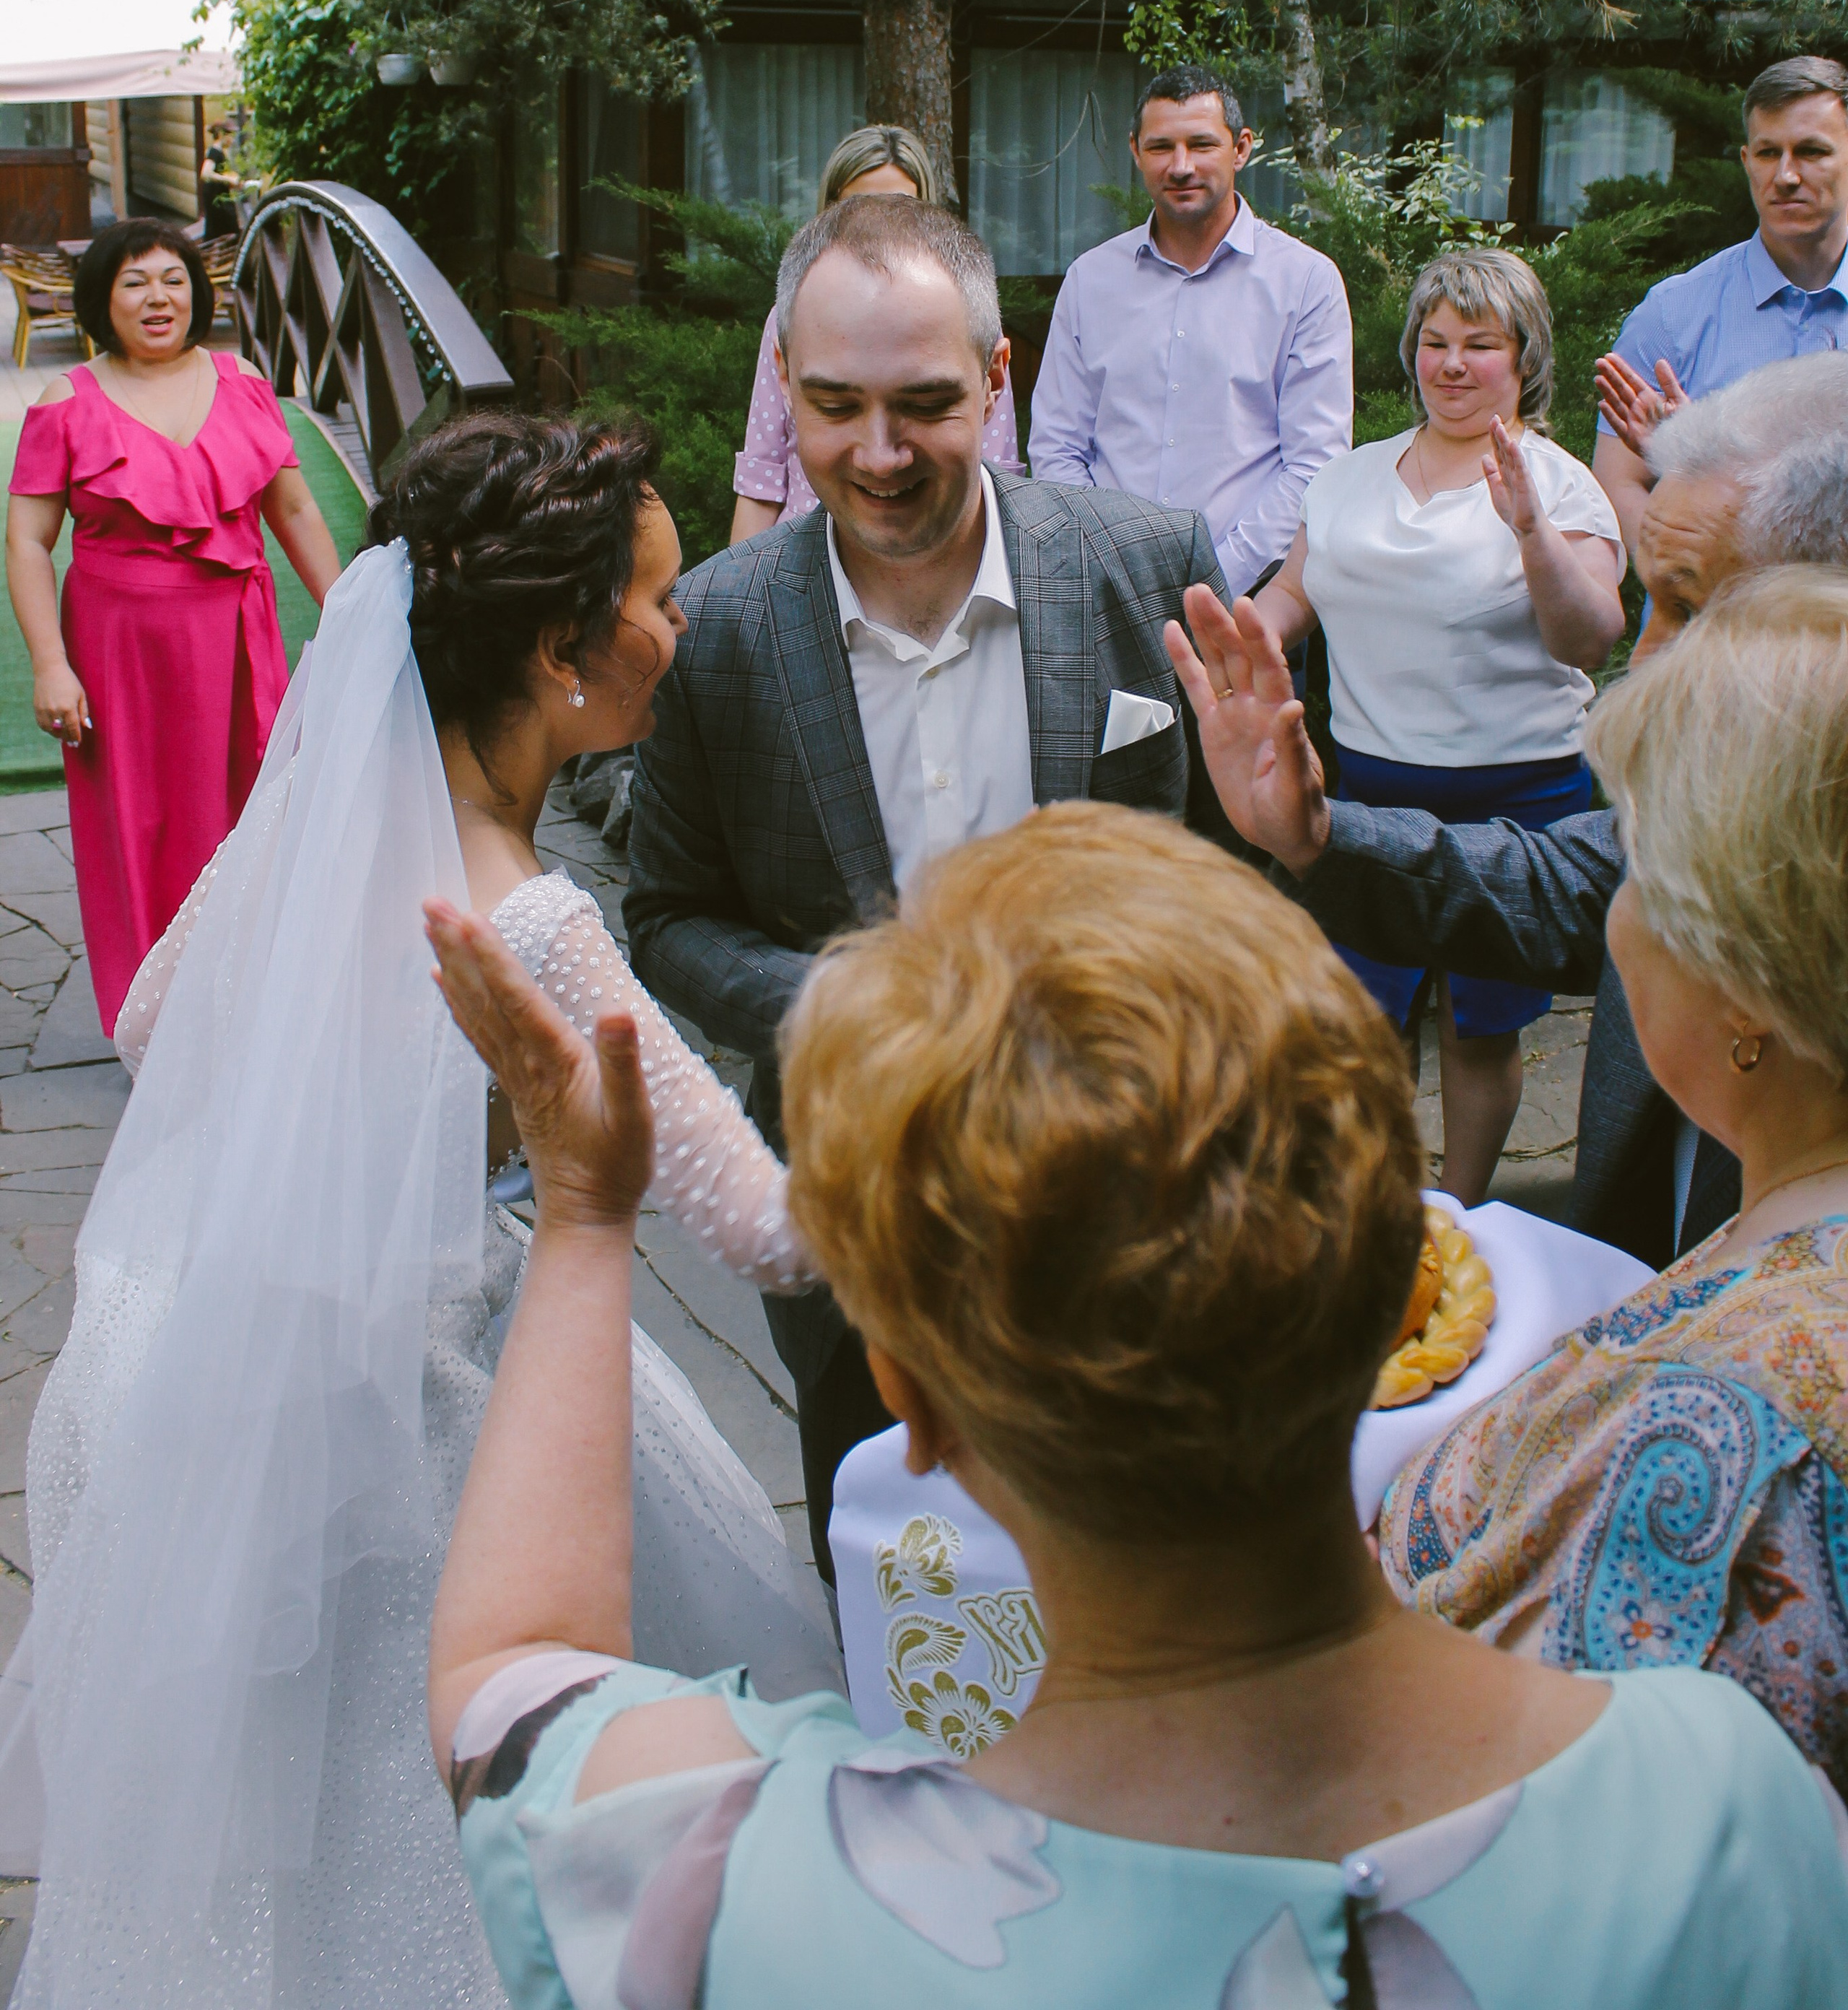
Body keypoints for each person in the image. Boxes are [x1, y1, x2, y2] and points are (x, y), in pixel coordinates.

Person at [427, 803, 1848, 2010]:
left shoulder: (750, 1898)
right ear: (1392, 1295)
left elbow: (510, 1674)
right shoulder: (1724, 1800)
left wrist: (581, 1217)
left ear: (907, 1405)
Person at [0, 412, 837, 2010]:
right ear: (561, 652)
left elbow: (150, 1025)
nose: (681, 624)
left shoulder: (300, 821)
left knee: (280, 1820)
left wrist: (327, 1111)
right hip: (421, 1392)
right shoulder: (533, 919)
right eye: (657, 600)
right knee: (448, 1791)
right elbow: (770, 1232)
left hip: (189, 1352)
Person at [627, 192, 1245, 1574]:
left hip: (1131, 1182)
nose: (880, 452)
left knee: (1139, 1568)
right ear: (783, 381)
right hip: (854, 1200)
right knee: (897, 1584)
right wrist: (865, 998)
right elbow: (665, 916)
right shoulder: (717, 632)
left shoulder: (1149, 563)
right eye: (835, 406)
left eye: (924, 403)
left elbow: (1241, 872)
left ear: (999, 378)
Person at [1164, 348, 1848, 1268]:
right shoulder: (1718, 825)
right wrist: (1312, 833)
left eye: (1686, 607)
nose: (1643, 661)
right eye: (1652, 603)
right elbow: (1551, 885)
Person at [1380, 568, 1848, 1801]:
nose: (1610, 915)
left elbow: (1571, 1836)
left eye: (1632, 866)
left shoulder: (1726, 1434)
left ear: (1743, 984)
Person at [1249, 248, 1624, 1203]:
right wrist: (1243, 636)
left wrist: (1530, 531)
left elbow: (1589, 636)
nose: (1452, 364)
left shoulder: (1560, 483)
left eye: (1481, 345)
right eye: (1435, 341)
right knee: (1360, 1018)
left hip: (1516, 790)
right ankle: (1369, 1204)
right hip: (1372, 787)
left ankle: (1461, 1210)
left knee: (1479, 1020)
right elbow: (1295, 593)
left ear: (1523, 357)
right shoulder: (1349, 478)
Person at [3, 218, 341, 1031]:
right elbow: (27, 540)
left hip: (237, 636)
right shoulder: (66, 401)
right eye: (134, 283)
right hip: (121, 647)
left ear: (197, 293)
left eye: (173, 280)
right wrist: (52, 664)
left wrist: (349, 615)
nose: (158, 298)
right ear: (102, 301)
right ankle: (157, 1019)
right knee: (139, 822)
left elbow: (293, 511)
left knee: (251, 807)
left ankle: (252, 1004)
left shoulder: (244, 382)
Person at [1028, 63, 1351, 594]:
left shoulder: (1305, 282)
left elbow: (1315, 464)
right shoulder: (1091, 280)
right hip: (1107, 598)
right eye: (1161, 148)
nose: (1181, 166)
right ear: (1135, 151)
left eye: (1202, 145)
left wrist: (1215, 580)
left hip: (1251, 601)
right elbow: (1059, 447)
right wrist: (1106, 567)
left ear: (1241, 148)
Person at [1594, 55, 1848, 559]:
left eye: (1812, 151)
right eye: (1768, 152)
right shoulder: (1672, 315)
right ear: (1746, 161)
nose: (1787, 175)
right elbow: (1616, 485)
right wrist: (1696, 582)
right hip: (1705, 631)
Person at [731, 123, 1020, 544]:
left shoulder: (966, 321)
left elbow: (995, 466)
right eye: (835, 405)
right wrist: (742, 596)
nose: (879, 223)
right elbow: (763, 474)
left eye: (900, 206)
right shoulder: (790, 319)